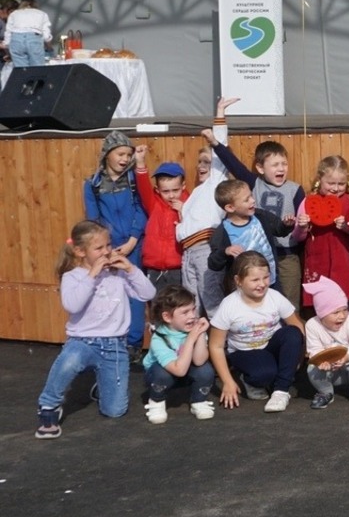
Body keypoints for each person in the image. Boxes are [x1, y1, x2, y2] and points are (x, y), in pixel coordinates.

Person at [35, 221, 156, 438]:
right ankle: (49, 405)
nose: (106, 251)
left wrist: (130, 269)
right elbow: (73, 305)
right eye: (99, 248)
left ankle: (102, 386)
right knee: (69, 361)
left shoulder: (118, 274)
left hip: (115, 345)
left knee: (115, 411)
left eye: (108, 245)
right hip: (83, 341)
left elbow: (148, 293)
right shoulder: (73, 276)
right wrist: (93, 274)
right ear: (80, 252)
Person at [208, 135, 306, 307]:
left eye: (284, 163)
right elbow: (234, 164)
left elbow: (302, 223)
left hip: (287, 255)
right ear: (260, 168)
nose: (281, 168)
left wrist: (292, 224)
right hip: (255, 259)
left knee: (288, 302)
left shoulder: (295, 189)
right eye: (275, 165)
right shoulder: (254, 184)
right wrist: (215, 144)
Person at [208, 251, 306, 413]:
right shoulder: (229, 305)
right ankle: (248, 379)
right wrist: (227, 381)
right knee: (264, 374)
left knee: (292, 332)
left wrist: (298, 357)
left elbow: (296, 324)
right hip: (244, 351)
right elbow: (215, 346)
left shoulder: (275, 296)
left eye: (266, 277)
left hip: (271, 346)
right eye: (255, 280)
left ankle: (281, 390)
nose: (262, 284)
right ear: (238, 281)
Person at [82, 130, 148, 364]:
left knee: (136, 293)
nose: (124, 159)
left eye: (128, 154)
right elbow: (93, 218)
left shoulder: (132, 180)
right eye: (120, 154)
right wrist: (105, 248)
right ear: (107, 154)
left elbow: (142, 209)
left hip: (134, 244)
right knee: (111, 292)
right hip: (109, 247)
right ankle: (113, 339)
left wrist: (132, 240)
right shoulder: (93, 184)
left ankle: (133, 343)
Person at [181, 98, 238, 317]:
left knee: (213, 302)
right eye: (200, 162)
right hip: (187, 251)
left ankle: (222, 338)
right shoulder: (195, 193)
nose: (202, 166)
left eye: (207, 162)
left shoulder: (216, 183)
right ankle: (197, 339)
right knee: (190, 306)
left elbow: (220, 151)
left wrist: (220, 113)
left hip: (204, 247)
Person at [206, 180, 306, 290]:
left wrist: (286, 225)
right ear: (230, 207)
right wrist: (225, 251)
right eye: (246, 200)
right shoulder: (222, 232)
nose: (253, 201)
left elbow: (279, 229)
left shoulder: (260, 216)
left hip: (271, 281)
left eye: (251, 196)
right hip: (245, 291)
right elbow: (213, 264)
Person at [142, 285, 215, 423]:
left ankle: (199, 401)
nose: (192, 316)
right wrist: (191, 339)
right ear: (167, 317)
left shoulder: (193, 330)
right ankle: (156, 401)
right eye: (185, 312)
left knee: (205, 370)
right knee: (161, 373)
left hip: (185, 371)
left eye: (193, 309)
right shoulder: (160, 338)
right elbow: (179, 370)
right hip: (162, 375)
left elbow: (199, 361)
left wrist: (200, 334)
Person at [299, 155, 349, 311]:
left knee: (345, 303)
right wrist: (302, 226)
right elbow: (297, 237)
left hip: (344, 260)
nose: (336, 188)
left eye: (341, 184)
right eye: (331, 183)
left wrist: (347, 228)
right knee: (320, 304)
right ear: (320, 180)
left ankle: (348, 327)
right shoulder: (309, 201)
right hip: (318, 260)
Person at [302, 276, 349, 408]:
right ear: (322, 313)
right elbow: (313, 349)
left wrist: (348, 357)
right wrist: (321, 361)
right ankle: (325, 392)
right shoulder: (312, 324)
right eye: (336, 312)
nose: (342, 316)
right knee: (312, 368)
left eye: (345, 309)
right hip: (328, 371)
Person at [132, 146, 187, 292]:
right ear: (157, 190)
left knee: (178, 304)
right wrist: (140, 162)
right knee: (157, 304)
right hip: (154, 268)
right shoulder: (154, 204)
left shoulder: (189, 204)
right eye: (166, 191)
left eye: (175, 190)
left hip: (178, 268)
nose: (171, 195)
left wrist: (184, 211)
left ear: (183, 186)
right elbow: (143, 185)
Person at [2, 0, 53, 67]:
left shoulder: (14, 14)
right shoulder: (42, 14)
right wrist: (50, 48)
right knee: (37, 69)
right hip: (34, 38)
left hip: (16, 39)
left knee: (20, 70)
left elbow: (8, 33)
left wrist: (7, 48)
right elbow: (46, 36)